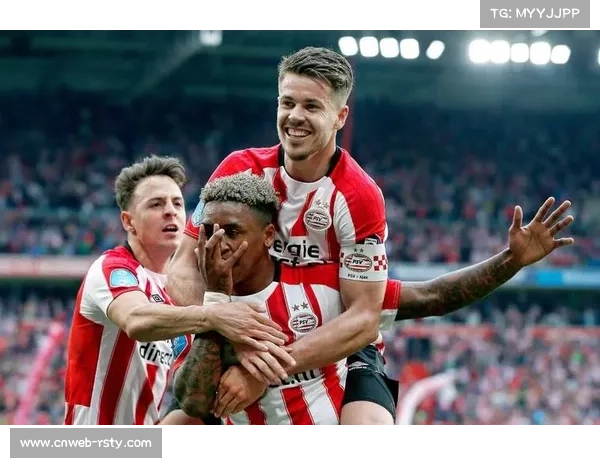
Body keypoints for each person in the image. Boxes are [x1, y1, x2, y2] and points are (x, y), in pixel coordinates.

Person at [167, 47, 575, 427]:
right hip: (241, 324)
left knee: (368, 431)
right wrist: (220, 325)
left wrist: (266, 367)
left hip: (336, 343)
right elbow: (184, 265)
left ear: (340, 116)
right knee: (168, 434)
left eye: (312, 106)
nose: (295, 116)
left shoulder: (359, 197)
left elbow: (365, 317)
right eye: (287, 102)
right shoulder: (239, 170)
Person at [63, 155, 287, 427]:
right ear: (129, 222)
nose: (170, 211)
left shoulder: (178, 291)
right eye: (156, 204)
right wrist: (214, 315)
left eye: (177, 203)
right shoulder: (112, 267)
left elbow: (188, 394)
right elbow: (136, 320)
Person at [170, 172, 399, 426]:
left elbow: (398, 302)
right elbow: (193, 402)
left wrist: (261, 373)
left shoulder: (323, 283)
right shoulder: (192, 301)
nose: (219, 244)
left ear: (268, 235)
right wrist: (216, 305)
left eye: (232, 232)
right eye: (209, 232)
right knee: (167, 433)